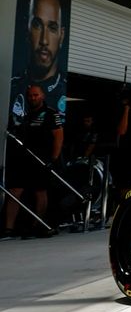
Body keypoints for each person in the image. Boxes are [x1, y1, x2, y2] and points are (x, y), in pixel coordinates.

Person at [3, 84, 63, 239]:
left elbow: (58, 136)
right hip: (23, 159)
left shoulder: (51, 114)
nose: (33, 98)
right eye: (30, 95)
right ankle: (8, 228)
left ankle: (38, 225)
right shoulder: (26, 115)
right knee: (15, 191)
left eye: (36, 95)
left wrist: (54, 159)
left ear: (42, 96)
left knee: (40, 191)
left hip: (41, 160)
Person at [10, 0, 68, 122]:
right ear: (27, 29)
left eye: (52, 27)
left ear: (62, 35)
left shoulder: (66, 91)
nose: (44, 40)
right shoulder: (10, 87)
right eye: (37, 25)